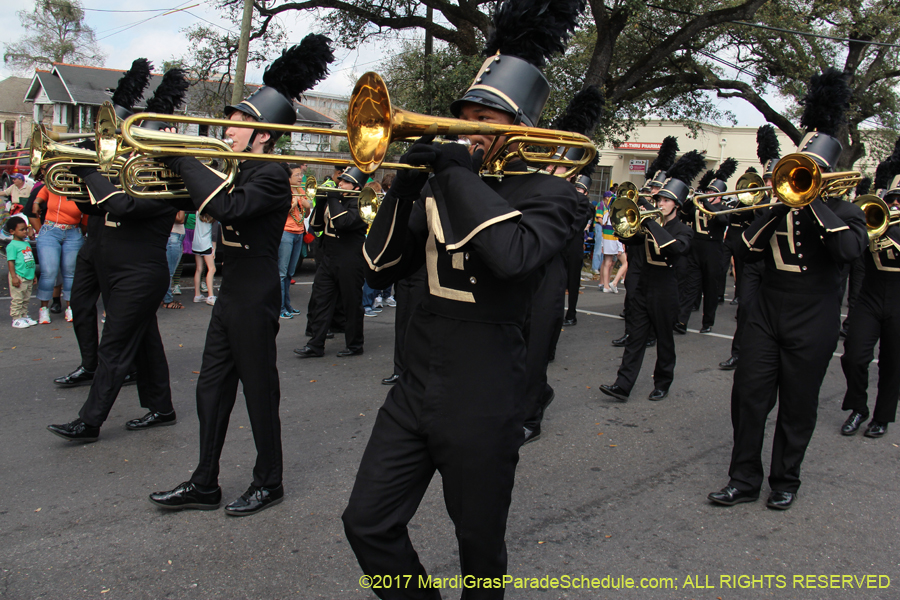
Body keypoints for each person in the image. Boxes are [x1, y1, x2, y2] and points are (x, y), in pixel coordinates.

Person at [342, 0, 585, 591]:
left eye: (486, 118)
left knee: (479, 547)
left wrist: (456, 176)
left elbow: (512, 257)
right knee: (366, 523)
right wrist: (404, 185)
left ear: (522, 128)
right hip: (414, 385)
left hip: (483, 394)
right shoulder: (439, 180)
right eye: (466, 114)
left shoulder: (554, 195)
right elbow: (377, 270)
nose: (467, 127)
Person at [148, 35, 334, 516]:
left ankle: (269, 481)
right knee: (210, 388)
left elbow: (225, 207)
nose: (226, 130)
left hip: (255, 295)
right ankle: (204, 482)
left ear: (264, 135)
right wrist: (163, 165)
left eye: (237, 125)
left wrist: (184, 157)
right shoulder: (236, 169)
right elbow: (198, 201)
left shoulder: (269, 174)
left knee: (258, 391)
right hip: (233, 295)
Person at [709, 68, 867, 510]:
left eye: (810, 171)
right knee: (749, 396)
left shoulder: (844, 210)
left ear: (827, 174)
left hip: (813, 316)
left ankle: (786, 480)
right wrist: (780, 209)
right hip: (767, 311)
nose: (800, 177)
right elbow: (742, 249)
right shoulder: (777, 208)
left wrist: (814, 204)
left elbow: (851, 251)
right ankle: (743, 479)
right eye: (799, 170)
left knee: (798, 404)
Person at [46, 66, 190, 443]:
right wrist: (77, 176)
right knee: (146, 343)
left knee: (114, 346)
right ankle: (162, 408)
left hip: (140, 274)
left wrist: (90, 170)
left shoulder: (166, 178)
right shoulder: (129, 171)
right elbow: (98, 209)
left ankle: (89, 421)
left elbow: (125, 207)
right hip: (117, 269)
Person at [53, 58, 153, 388]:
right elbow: (83, 198)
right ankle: (90, 364)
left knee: (118, 313)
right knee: (80, 305)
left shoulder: (136, 162)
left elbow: (122, 203)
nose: (103, 135)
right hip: (92, 240)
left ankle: (131, 366)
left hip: (119, 243)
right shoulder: (96, 153)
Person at [598, 150, 701, 402]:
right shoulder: (648, 222)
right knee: (636, 337)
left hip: (667, 288)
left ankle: (663, 382)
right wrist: (628, 220)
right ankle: (623, 385)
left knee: (665, 340)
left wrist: (652, 223)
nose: (660, 204)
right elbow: (628, 238)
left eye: (665, 201)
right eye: (659, 200)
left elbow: (676, 249)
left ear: (676, 205)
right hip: (644, 285)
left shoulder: (683, 230)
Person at [839, 167, 900, 439]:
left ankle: (882, 417)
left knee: (893, 363)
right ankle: (858, 407)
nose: (897, 205)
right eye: (893, 199)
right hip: (871, 297)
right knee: (853, 355)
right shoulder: (876, 224)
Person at [719, 127, 781, 370]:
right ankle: (738, 353)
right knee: (745, 307)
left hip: (777, 266)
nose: (767, 185)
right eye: (766, 180)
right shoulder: (761, 203)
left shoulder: (792, 203)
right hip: (755, 264)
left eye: (771, 181)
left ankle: (766, 356)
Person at [294, 165, 368, 358]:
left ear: (356, 188)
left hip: (350, 259)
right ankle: (316, 344)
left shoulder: (364, 204)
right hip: (329, 257)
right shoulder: (335, 200)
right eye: (340, 180)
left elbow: (343, 223)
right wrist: (320, 202)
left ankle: (354, 344)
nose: (339, 183)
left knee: (351, 303)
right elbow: (316, 225)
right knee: (321, 299)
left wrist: (333, 198)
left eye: (345, 182)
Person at [611, 136, 678, 349]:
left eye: (658, 193)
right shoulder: (645, 204)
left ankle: (650, 334)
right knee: (632, 296)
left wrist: (645, 203)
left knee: (649, 301)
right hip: (637, 256)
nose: (655, 196)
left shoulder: (660, 209)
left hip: (654, 262)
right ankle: (630, 333)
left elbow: (662, 232)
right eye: (653, 192)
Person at [676, 159, 735, 334]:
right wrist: (692, 199)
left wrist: (707, 202)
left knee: (710, 289)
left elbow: (723, 220)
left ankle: (707, 322)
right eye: (708, 191)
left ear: (720, 196)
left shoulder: (723, 208)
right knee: (690, 287)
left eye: (713, 192)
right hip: (695, 249)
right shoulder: (698, 205)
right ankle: (681, 321)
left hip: (713, 251)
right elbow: (684, 213)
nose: (709, 193)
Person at [31, 185, 85, 324]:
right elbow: (43, 191)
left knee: (70, 271)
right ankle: (43, 309)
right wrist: (37, 202)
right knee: (49, 271)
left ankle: (70, 307)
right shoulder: (53, 185)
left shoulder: (82, 188)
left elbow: (87, 216)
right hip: (50, 229)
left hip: (73, 231)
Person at [278, 164, 311, 319]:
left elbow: (306, 213)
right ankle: (280, 307)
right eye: (297, 175)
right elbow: (280, 212)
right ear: (288, 178)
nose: (300, 177)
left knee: (290, 273)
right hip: (286, 233)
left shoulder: (301, 190)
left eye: (300, 175)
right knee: (282, 273)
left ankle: (287, 305)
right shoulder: (283, 191)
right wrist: (293, 203)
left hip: (298, 233)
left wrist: (306, 205)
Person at [5, 215, 37, 328]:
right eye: (21, 230)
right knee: (18, 298)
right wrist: (14, 276)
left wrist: (33, 275)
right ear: (12, 231)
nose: (25, 232)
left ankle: (24, 315)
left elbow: (30, 260)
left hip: (28, 276)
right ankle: (16, 318)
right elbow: (11, 262)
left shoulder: (26, 243)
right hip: (19, 276)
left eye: (25, 229)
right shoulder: (12, 246)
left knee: (26, 298)